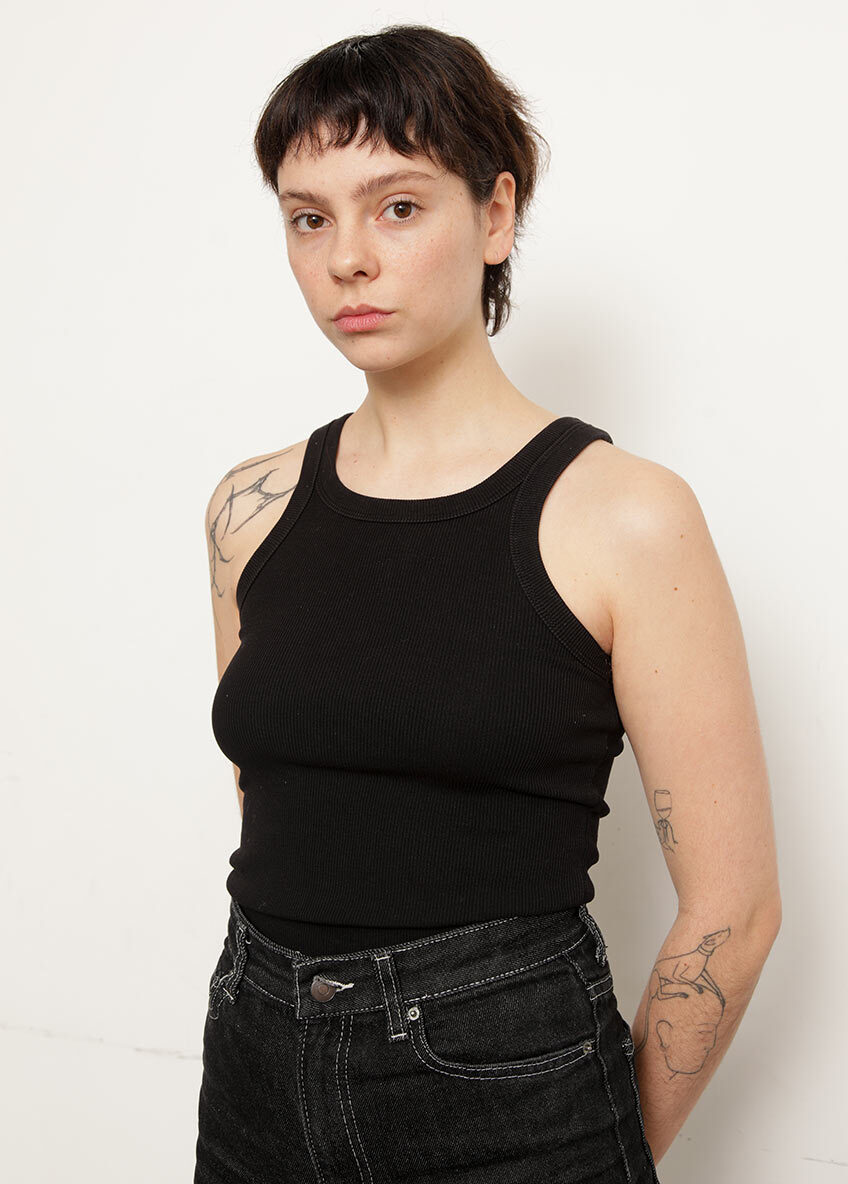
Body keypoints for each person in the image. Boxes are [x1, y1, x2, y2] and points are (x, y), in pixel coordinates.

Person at [195, 24, 781, 1183]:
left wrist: (594, 1145)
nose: (347, 258)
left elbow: (734, 907)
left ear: (496, 214)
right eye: (308, 217)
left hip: (505, 1075)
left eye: (397, 207)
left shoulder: (623, 516)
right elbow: (275, 795)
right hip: (254, 1052)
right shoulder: (246, 510)